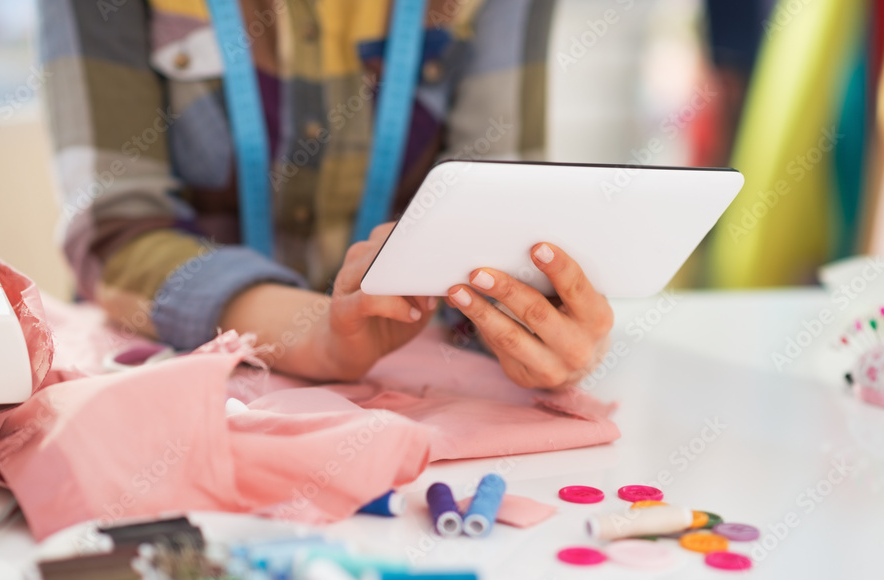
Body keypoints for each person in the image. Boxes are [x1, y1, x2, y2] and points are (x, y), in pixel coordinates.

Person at [36, 0, 613, 388]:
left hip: (411, 373)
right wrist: (315, 334)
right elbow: (117, 230)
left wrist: (540, 325)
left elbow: (498, 211)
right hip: (168, 374)